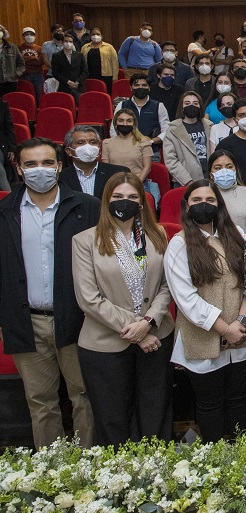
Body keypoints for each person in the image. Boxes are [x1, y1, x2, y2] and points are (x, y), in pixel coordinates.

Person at [0, 138, 99, 449]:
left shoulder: (88, 207)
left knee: (85, 396)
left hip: (80, 321)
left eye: (46, 163)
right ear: (17, 168)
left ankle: (93, 468)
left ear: (59, 166)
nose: (39, 170)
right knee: (40, 402)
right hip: (25, 321)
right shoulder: (4, 212)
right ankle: (54, 472)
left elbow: (119, 258)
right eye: (30, 164)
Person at [72, 170, 173, 446]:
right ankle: (119, 482)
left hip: (157, 338)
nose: (124, 201)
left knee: (155, 413)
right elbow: (88, 298)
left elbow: (167, 286)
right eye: (117, 196)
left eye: (131, 197)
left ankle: (157, 478)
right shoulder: (84, 241)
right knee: (112, 419)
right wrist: (138, 328)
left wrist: (149, 322)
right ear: (106, 200)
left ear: (142, 202)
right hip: (105, 343)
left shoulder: (158, 234)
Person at [164, 180, 246, 442]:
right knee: (210, 404)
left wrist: (240, 321)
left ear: (219, 205)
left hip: (242, 331)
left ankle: (243, 456)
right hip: (203, 335)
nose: (204, 205)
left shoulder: (237, 233)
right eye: (196, 201)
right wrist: (224, 329)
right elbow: (185, 298)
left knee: (241, 400)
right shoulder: (179, 244)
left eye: (210, 200)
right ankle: (214, 461)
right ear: (186, 206)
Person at [102, 108, 156, 200]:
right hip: (115, 186)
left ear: (134, 124)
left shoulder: (144, 142)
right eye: (121, 121)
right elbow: (106, 168)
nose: (125, 124)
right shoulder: (107, 143)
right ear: (115, 123)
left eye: (129, 121)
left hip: (139, 184)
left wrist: (135, 184)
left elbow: (147, 168)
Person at [205, 149, 246, 232]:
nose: (224, 171)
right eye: (218, 168)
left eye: (229, 167)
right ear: (211, 174)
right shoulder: (204, 195)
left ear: (235, 170)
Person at [60, 125, 126, 198]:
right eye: (80, 142)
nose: (88, 147)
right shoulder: (61, 178)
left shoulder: (119, 173)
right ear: (68, 151)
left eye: (93, 142)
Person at [77, 28, 117, 94]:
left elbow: (115, 62)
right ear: (90, 36)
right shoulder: (85, 47)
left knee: (105, 94)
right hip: (89, 76)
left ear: (101, 36)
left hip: (106, 76)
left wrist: (115, 77)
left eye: (98, 34)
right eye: (93, 34)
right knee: (91, 94)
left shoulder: (109, 47)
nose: (95, 36)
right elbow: (81, 62)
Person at [51, 33, 86, 101]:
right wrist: (68, 82)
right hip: (64, 87)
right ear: (62, 42)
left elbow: (85, 71)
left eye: (70, 41)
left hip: (78, 87)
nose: (68, 43)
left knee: (81, 106)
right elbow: (55, 72)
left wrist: (77, 82)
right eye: (66, 41)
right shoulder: (56, 56)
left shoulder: (80, 55)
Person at [17, 28, 44, 98]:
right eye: (27, 34)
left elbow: (40, 62)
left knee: (39, 96)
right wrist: (33, 58)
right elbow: (19, 61)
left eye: (31, 34)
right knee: (26, 96)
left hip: (38, 75)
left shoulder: (39, 48)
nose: (29, 36)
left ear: (35, 36)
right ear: (23, 36)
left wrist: (26, 59)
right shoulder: (19, 48)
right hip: (24, 75)